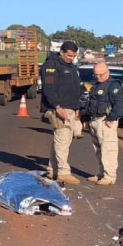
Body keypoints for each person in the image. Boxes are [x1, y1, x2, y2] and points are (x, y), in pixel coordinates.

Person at [40, 41, 84, 184]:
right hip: (58, 109)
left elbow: (75, 89)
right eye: (69, 55)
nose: (71, 58)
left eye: (74, 56)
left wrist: (77, 107)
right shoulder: (51, 66)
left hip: (71, 108)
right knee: (62, 140)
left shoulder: (71, 67)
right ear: (62, 52)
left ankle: (53, 170)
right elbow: (48, 88)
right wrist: (57, 106)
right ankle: (63, 172)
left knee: (61, 141)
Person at [83, 63, 123, 185]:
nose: (97, 77)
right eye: (95, 75)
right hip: (94, 120)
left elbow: (119, 105)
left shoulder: (113, 86)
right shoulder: (96, 85)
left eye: (100, 75)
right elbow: (90, 103)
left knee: (108, 149)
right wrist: (85, 118)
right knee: (98, 149)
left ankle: (110, 176)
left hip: (105, 121)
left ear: (107, 73)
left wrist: (111, 118)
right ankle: (101, 173)